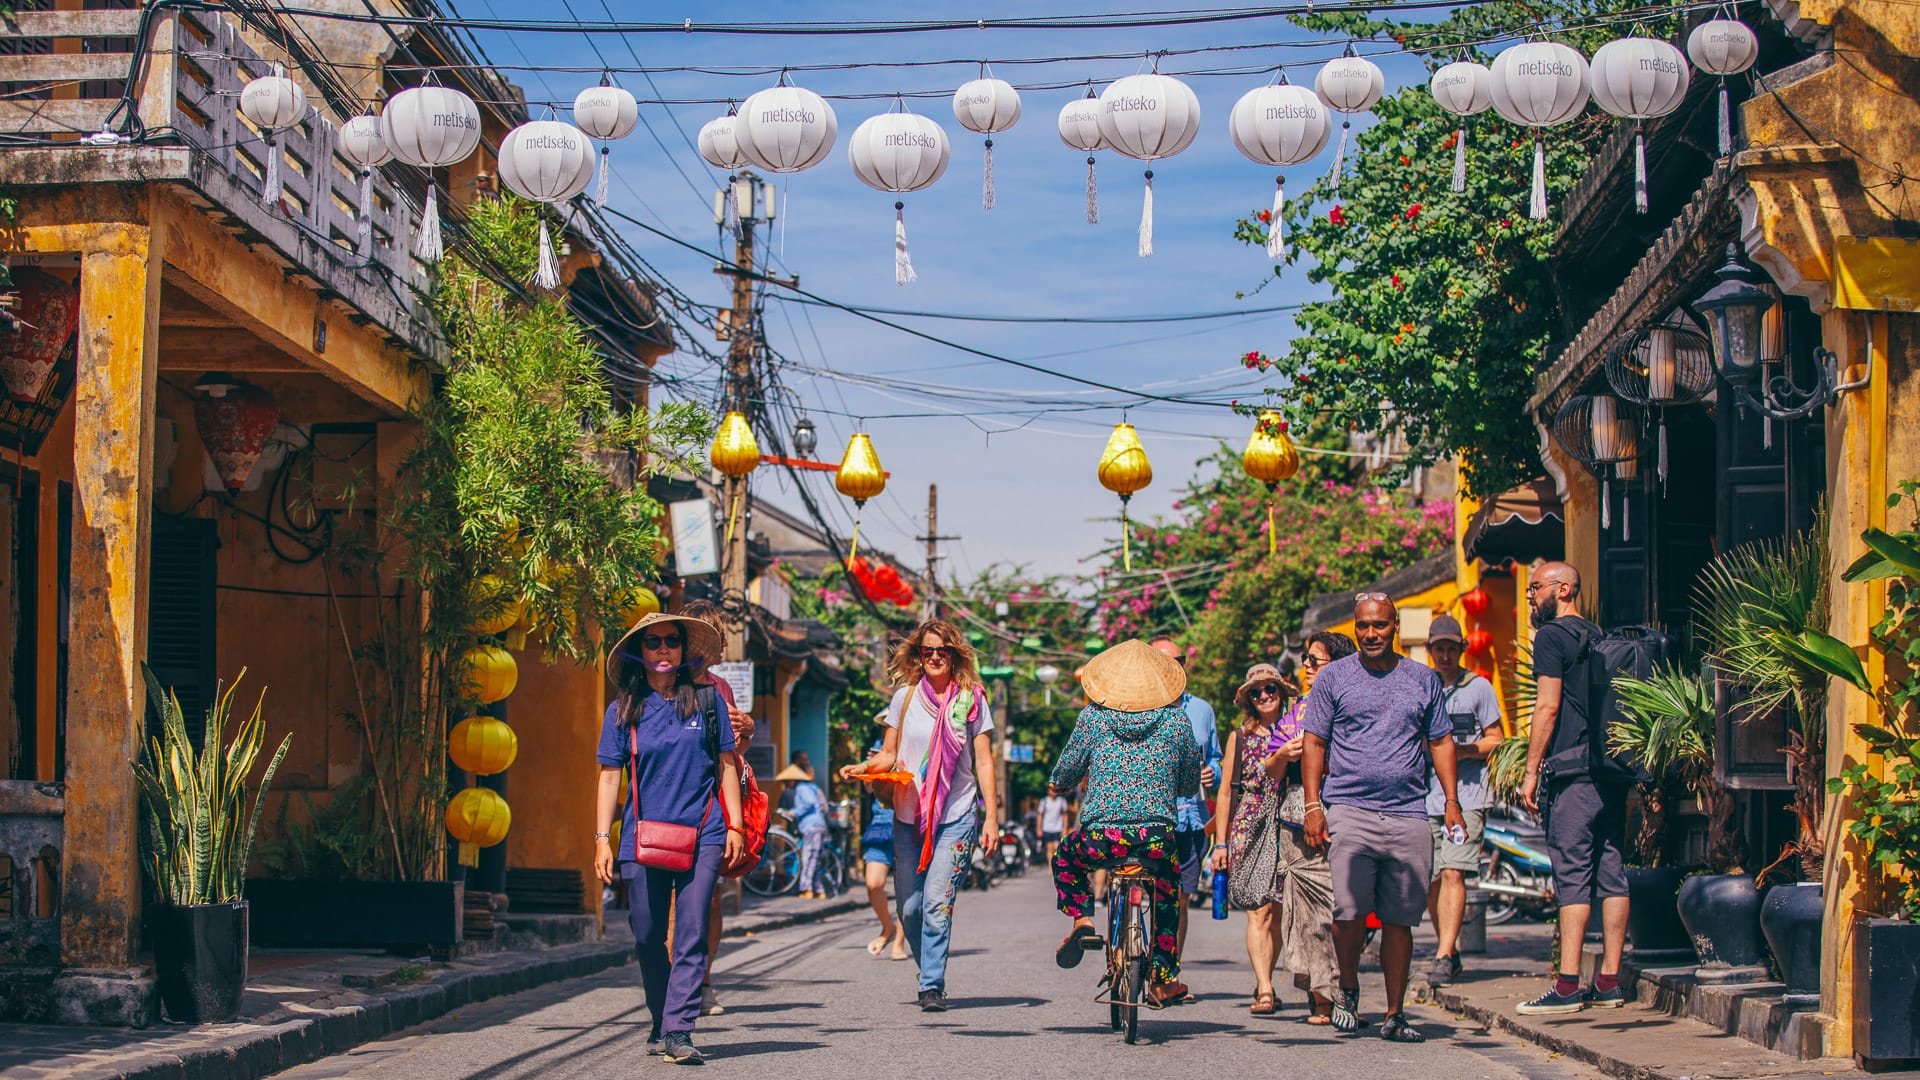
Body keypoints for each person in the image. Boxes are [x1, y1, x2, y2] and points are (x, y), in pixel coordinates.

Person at [1300, 594, 1464, 1042]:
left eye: (1380, 626)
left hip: (1409, 812)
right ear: (1355, 629)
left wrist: (1450, 801)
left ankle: (1395, 1014)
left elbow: (1441, 742)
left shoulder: (1422, 679)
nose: (1371, 634)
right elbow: (1314, 743)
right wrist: (1314, 806)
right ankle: (1348, 988)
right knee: (1347, 913)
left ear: (1396, 626)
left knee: (1400, 919)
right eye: (1363, 627)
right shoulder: (1334, 677)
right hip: (1349, 808)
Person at [594, 612, 746, 1065]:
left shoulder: (706, 701)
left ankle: (679, 1029)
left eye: (672, 642)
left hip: (704, 832)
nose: (663, 649)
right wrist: (602, 838)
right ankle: (661, 1019)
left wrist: (735, 823)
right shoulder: (623, 709)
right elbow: (608, 777)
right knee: (646, 933)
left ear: (683, 651)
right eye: (654, 642)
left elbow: (727, 765)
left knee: (693, 930)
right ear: (640, 654)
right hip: (641, 837)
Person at [837, 619, 999, 1012]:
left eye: (943, 651)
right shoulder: (905, 698)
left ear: (955, 654)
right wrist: (864, 767)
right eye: (928, 651)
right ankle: (926, 967)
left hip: (957, 813)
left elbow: (983, 761)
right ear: (919, 655)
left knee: (935, 905)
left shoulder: (971, 699)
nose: (936, 657)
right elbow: (889, 754)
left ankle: (931, 986)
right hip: (909, 816)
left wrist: (991, 817)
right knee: (909, 908)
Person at [1048, 639, 1203, 1007]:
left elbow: (1067, 769)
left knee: (1066, 857)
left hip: (1103, 837)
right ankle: (1164, 978)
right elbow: (1190, 782)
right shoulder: (1176, 719)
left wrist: (1058, 782)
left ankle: (1082, 920)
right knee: (1166, 894)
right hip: (1155, 838)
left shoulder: (1093, 717)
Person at [1517, 561, 1629, 1015]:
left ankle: (1566, 987)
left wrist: (1530, 770)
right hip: (1610, 772)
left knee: (1571, 878)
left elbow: (1547, 707)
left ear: (1563, 589)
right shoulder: (1599, 636)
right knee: (1612, 873)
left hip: (1572, 775)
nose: (1528, 596)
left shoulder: (1552, 637)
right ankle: (1608, 982)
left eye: (1534, 588)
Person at [1271, 632, 1354, 1025]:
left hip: (1348, 812)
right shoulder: (1296, 710)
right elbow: (1269, 766)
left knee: (1346, 912)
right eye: (1305, 658)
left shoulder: (1353, 705)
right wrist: (1285, 754)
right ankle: (1323, 996)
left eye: (1314, 660)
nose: (1305, 665)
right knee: (1310, 916)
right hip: (1297, 819)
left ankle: (1341, 989)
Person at [1422, 614, 1506, 987]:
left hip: (1469, 796)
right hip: (1425, 798)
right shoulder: (1421, 688)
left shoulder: (1479, 688)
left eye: (1450, 649)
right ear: (1430, 651)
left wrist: (1466, 750)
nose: (1444, 655)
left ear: (1460, 650)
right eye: (1438, 648)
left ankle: (1442, 955)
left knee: (1455, 871)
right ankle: (1450, 950)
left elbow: (1496, 738)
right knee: (1431, 878)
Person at [678, 598, 752, 1019]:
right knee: (677, 900)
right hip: (675, 804)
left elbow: (733, 752)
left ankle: (702, 980)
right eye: (720, 636)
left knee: (712, 898)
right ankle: (676, 982)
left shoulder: (722, 687)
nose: (725, 645)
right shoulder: (667, 683)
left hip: (715, 806)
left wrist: (748, 730)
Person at [1210, 663, 1290, 1015]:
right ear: (1248, 700)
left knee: (1280, 913)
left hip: (1289, 820)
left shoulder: (1297, 729)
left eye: (1270, 689)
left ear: (1281, 692)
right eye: (1256, 692)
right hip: (1250, 823)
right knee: (1258, 910)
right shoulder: (1239, 737)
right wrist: (1221, 843)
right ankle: (1265, 987)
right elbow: (1225, 792)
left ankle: (1266, 976)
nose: (1264, 697)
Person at [1148, 634, 1221, 998]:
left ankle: (1166, 974)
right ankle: (1132, 959)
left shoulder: (1202, 710)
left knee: (1179, 899)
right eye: (1164, 662)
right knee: (1146, 893)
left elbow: (1216, 759)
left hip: (1191, 818)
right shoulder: (1136, 707)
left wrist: (1213, 773)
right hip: (1149, 820)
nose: (1174, 669)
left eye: (1179, 662)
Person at [857, 747, 910, 959]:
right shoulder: (878, 749)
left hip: (906, 822)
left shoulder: (912, 742)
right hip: (880, 826)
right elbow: (869, 788)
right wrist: (871, 764)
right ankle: (888, 927)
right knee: (873, 884)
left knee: (905, 890)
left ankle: (899, 943)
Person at [779, 762, 831, 898]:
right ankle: (819, 890)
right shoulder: (813, 787)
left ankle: (806, 889)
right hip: (818, 824)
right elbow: (823, 807)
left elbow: (808, 803)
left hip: (811, 825)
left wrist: (794, 813)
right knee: (815, 858)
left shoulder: (802, 788)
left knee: (808, 858)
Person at [1038, 789, 1071, 860]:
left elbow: (1065, 815)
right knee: (1050, 849)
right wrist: (1039, 829)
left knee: (1057, 848)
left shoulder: (1062, 801)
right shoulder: (1044, 801)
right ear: (1048, 791)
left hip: (1058, 829)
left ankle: (1057, 867)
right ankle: (1051, 870)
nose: (1054, 792)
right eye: (1052, 790)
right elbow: (1040, 815)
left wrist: (1065, 829)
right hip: (1047, 828)